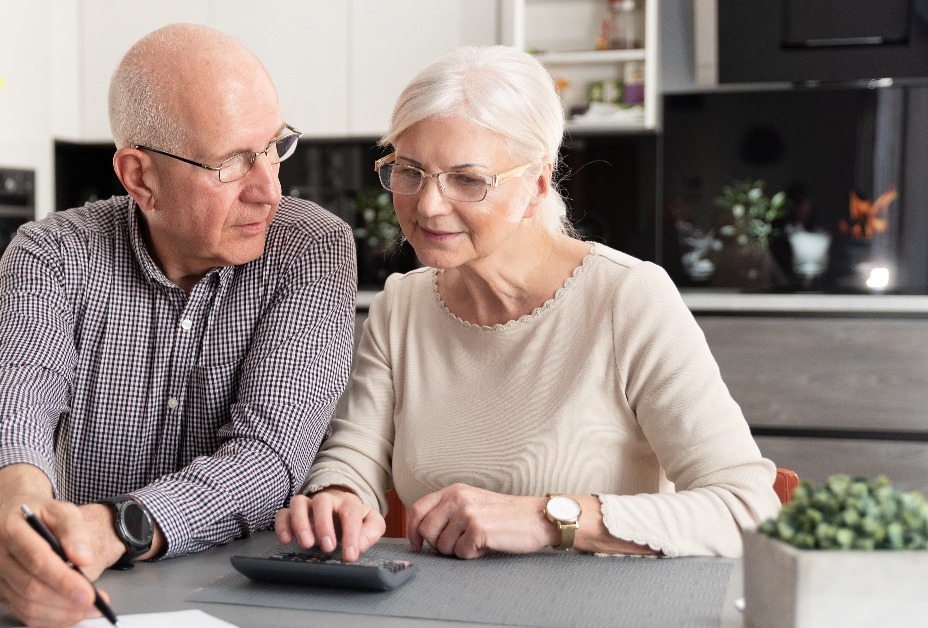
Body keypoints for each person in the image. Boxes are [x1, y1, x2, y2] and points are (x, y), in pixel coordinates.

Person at [275, 45, 781, 563]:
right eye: (409, 172)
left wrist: (550, 517)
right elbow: (355, 459)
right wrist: (335, 497)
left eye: (468, 180)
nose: (427, 205)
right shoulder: (401, 307)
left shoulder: (628, 298)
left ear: (536, 185)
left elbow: (748, 509)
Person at [0, 23, 357, 626]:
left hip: (251, 597)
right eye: (230, 164)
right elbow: (16, 399)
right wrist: (24, 522)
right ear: (140, 177)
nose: (269, 190)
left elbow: (268, 455)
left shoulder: (310, 247)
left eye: (275, 146)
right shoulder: (51, 252)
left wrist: (114, 526)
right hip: (86, 591)